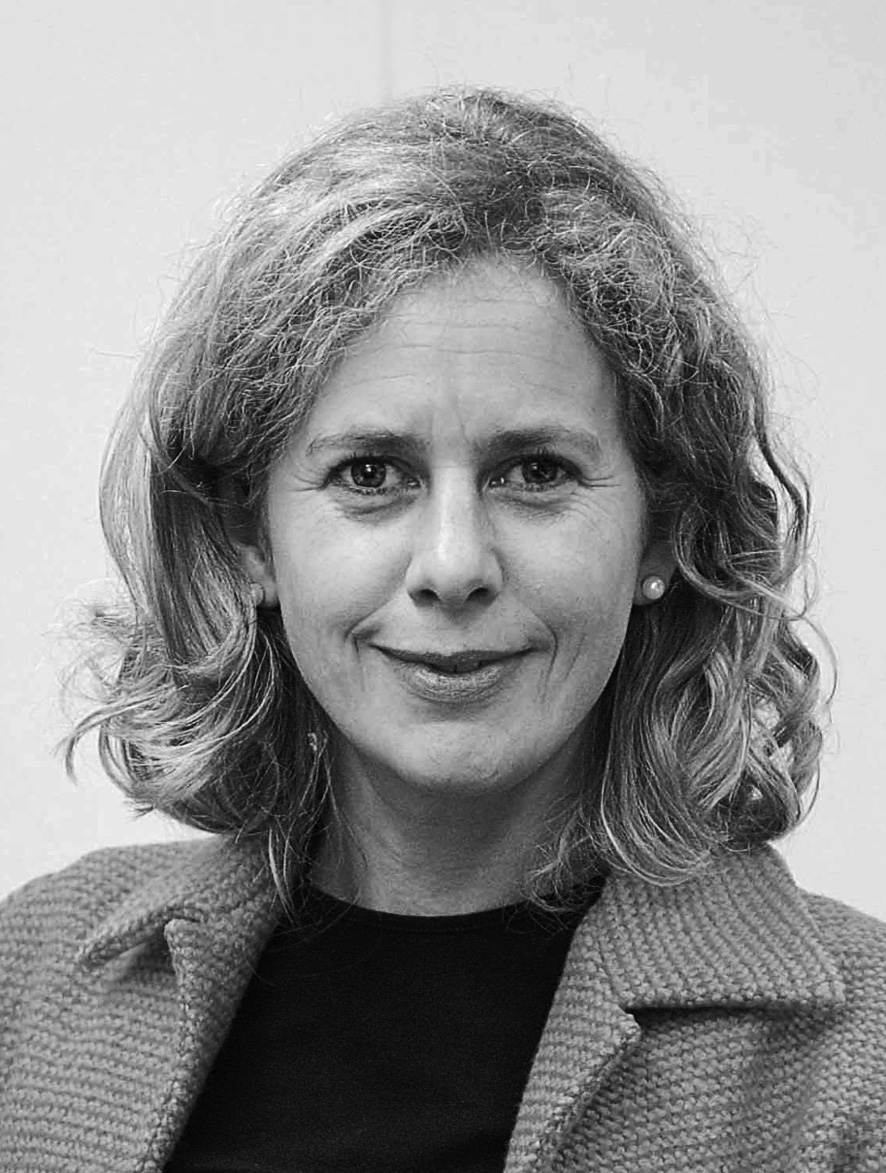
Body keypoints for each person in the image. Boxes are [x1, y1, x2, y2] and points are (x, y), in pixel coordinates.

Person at [1, 86, 884, 1172]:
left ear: (662, 532)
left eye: (536, 472)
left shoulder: (861, 1058)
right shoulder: (33, 985)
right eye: (371, 474)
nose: (455, 564)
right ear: (248, 536)